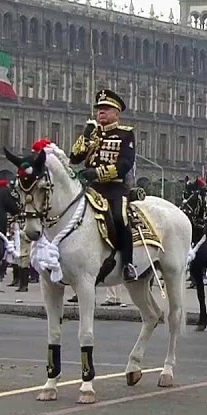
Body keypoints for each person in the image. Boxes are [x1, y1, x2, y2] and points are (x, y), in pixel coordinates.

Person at [70, 89, 137, 282]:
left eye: (106, 108)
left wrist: (98, 173)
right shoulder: (92, 134)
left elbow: (125, 164)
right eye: (99, 108)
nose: (101, 112)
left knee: (120, 217)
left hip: (114, 188)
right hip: (90, 189)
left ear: (117, 113)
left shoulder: (125, 134)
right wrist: (85, 136)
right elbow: (75, 158)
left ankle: (128, 264)